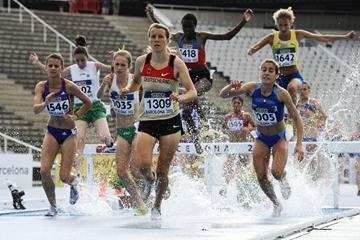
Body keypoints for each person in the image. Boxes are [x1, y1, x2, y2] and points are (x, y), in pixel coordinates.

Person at [146, 4, 254, 154]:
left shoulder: (201, 36)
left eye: (190, 27)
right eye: (185, 27)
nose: (187, 30)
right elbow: (162, 32)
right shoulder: (178, 37)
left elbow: (227, 36)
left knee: (193, 93)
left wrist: (244, 21)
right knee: (185, 113)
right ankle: (197, 140)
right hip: (188, 77)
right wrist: (152, 16)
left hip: (203, 76)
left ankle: (204, 124)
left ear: (194, 27)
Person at [119, 23, 197, 220]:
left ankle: (157, 205)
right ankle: (149, 179)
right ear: (149, 39)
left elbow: (192, 91)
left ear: (166, 39)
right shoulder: (141, 61)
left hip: (170, 121)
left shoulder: (176, 63)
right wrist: (128, 89)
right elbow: (136, 82)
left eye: (160, 36)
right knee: (142, 165)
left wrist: (181, 98)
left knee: (163, 170)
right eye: (153, 36)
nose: (156, 40)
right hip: (148, 119)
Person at [219, 59, 304, 217]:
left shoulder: (281, 93)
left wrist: (299, 145)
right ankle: (276, 204)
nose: (266, 73)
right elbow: (222, 94)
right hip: (262, 137)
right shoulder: (252, 88)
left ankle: (283, 179)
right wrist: (232, 86)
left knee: (276, 173)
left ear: (276, 75)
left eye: (271, 70)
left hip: (279, 137)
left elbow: (297, 119)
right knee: (261, 177)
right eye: (263, 69)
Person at [30, 35, 113, 177]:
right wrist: (37, 63)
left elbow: (112, 68)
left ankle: (111, 145)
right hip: (79, 109)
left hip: (96, 106)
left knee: (105, 137)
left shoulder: (94, 65)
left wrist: (115, 58)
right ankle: (78, 174)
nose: (80, 63)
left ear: (87, 57)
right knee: (79, 140)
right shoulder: (72, 69)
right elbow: (53, 71)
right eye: (78, 60)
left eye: (83, 60)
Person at [247, 7, 356, 105]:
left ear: (291, 23)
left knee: (292, 88)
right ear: (276, 24)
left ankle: (292, 117)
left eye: (286, 25)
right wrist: (252, 50)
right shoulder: (272, 37)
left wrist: (345, 36)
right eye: (280, 25)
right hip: (279, 78)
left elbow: (323, 38)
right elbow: (257, 46)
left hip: (294, 75)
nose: (283, 28)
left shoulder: (298, 34)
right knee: (272, 100)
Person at [33, 53, 92, 216]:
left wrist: (77, 115)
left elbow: (88, 102)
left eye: (56, 66)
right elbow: (35, 109)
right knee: (44, 171)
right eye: (50, 65)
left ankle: (73, 183)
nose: (52, 68)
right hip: (52, 130)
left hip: (68, 133)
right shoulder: (41, 87)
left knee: (64, 176)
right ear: (45, 67)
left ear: (61, 68)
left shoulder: (69, 86)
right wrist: (46, 102)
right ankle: (52, 206)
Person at [97, 50, 147, 215]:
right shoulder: (109, 79)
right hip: (121, 130)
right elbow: (98, 97)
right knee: (121, 171)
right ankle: (140, 203)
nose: (118, 68)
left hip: (137, 127)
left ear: (129, 66)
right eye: (116, 64)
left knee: (135, 170)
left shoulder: (135, 80)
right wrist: (104, 85)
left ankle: (150, 184)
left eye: (122, 65)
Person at [222, 96, 256, 184]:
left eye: (238, 103)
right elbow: (222, 130)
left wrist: (247, 129)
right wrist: (225, 133)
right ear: (232, 104)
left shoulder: (246, 116)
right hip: (232, 144)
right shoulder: (227, 117)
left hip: (243, 144)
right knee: (229, 164)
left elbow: (255, 127)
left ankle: (243, 183)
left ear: (242, 105)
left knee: (243, 165)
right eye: (234, 103)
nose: (236, 105)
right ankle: (226, 184)